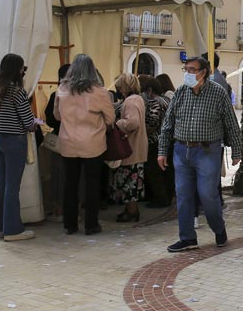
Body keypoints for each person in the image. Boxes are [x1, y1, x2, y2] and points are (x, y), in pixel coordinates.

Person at [157, 56, 241, 252]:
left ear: (204, 72)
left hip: (207, 151)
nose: (188, 73)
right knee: (183, 195)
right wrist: (162, 151)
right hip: (181, 150)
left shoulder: (218, 93)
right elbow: (168, 124)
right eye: (186, 69)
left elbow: (231, 123)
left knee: (207, 195)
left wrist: (237, 151)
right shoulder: (180, 92)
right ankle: (187, 238)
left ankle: (219, 228)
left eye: (192, 70)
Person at [55, 54, 116, 236]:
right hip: (93, 143)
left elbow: (57, 116)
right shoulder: (99, 92)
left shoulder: (62, 90)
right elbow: (110, 118)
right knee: (92, 184)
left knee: (70, 185)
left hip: (67, 142)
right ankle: (91, 224)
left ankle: (70, 224)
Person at [0, 53, 40, 242]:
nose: (23, 72)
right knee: (12, 186)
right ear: (17, 70)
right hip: (13, 140)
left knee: (1, 182)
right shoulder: (17, 92)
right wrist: (35, 124)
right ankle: (13, 230)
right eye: (23, 69)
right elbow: (27, 120)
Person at [111, 73, 147, 223]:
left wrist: (117, 123)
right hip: (137, 147)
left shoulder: (130, 102)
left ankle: (132, 212)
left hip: (130, 148)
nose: (118, 89)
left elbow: (132, 123)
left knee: (129, 183)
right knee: (132, 181)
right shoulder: (138, 99)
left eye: (119, 87)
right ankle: (130, 209)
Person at [42, 63, 72, 220]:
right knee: (74, 178)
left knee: (59, 176)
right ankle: (74, 211)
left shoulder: (57, 95)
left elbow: (50, 118)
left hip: (61, 139)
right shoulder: (82, 95)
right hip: (79, 141)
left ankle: (59, 210)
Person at [139, 75, 172, 208]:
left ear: (150, 90)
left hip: (156, 141)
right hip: (169, 140)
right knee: (166, 171)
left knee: (154, 170)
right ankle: (167, 196)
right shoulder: (167, 100)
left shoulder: (154, 102)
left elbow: (153, 122)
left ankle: (160, 198)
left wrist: (143, 132)